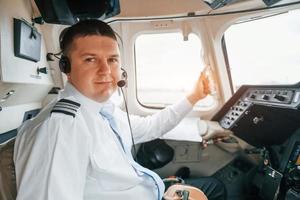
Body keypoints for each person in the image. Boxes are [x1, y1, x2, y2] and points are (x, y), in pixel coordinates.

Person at [13, 19, 230, 200]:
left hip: (150, 191)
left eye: (113, 60)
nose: (106, 70)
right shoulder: (61, 127)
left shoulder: (103, 111)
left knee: (214, 186)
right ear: (66, 68)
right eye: (90, 60)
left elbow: (152, 126)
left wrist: (194, 97)